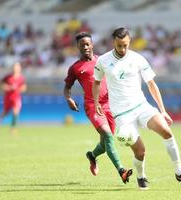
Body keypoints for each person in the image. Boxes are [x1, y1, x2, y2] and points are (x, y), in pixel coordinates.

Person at [93, 27, 181, 190]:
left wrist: (163, 110)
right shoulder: (103, 60)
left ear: (130, 42)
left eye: (125, 45)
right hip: (122, 114)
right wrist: (96, 103)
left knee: (166, 132)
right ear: (113, 42)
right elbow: (96, 82)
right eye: (119, 45)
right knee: (141, 152)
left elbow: (151, 84)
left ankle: (179, 171)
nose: (122, 49)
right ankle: (141, 176)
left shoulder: (138, 59)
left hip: (141, 106)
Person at [63, 32, 132, 184]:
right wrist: (68, 98)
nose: (86, 47)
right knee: (108, 136)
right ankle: (122, 170)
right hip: (92, 105)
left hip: (111, 105)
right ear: (78, 47)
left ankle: (92, 156)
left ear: (92, 44)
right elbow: (67, 87)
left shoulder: (104, 60)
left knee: (106, 142)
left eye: (88, 44)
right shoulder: (75, 68)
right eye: (82, 45)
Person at [0, 62, 27, 134]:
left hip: (16, 97)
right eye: (15, 67)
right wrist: (7, 87)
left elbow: (24, 87)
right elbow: (1, 83)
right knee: (6, 111)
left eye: (17, 67)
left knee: (15, 111)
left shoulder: (21, 78)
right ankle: (1, 117)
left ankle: (13, 128)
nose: (16, 69)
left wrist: (19, 89)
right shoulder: (8, 77)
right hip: (8, 97)